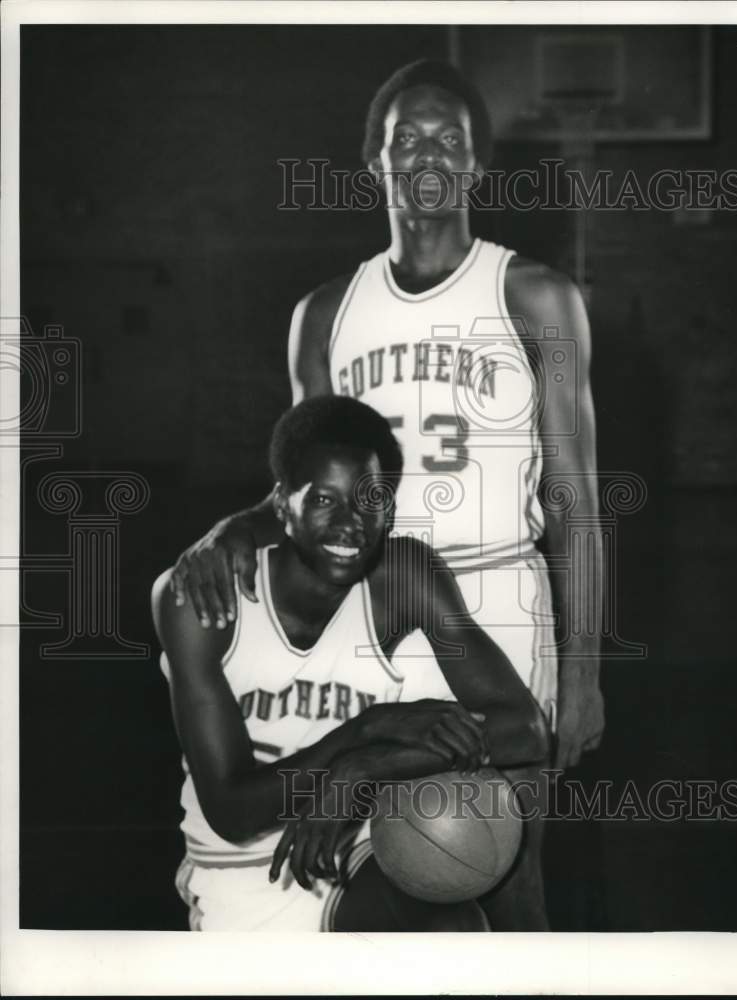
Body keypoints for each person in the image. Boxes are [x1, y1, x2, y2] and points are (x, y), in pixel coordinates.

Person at [169, 59, 603, 930]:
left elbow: (576, 498)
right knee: (382, 863)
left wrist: (586, 669)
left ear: (478, 164)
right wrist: (224, 531)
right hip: (376, 602)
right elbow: (297, 482)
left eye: (449, 138)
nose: (427, 153)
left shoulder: (536, 297)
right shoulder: (325, 315)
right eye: (407, 137)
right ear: (375, 159)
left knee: (500, 865)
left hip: (498, 600)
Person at [152, 396, 548, 931]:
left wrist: (364, 770)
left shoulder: (403, 578)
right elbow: (233, 810)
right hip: (241, 870)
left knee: (454, 932)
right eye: (323, 500)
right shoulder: (203, 603)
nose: (349, 524)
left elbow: (523, 731)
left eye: (370, 499)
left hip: (355, 854)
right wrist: (364, 733)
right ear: (280, 505)